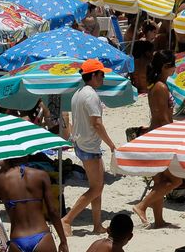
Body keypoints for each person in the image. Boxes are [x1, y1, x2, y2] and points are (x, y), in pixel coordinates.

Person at [62, 59, 118, 236]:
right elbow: (97, 124)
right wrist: (111, 144)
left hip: (82, 143)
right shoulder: (91, 95)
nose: (103, 77)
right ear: (93, 75)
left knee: (98, 186)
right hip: (89, 146)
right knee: (96, 188)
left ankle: (97, 225)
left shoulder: (78, 93)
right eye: (101, 74)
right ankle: (67, 219)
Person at [0, 157, 69, 252]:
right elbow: (53, 211)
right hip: (42, 236)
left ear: (6, 160)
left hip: (17, 240)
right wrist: (63, 240)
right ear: (26, 157)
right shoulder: (41, 175)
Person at [132, 52, 182, 228]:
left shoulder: (159, 85)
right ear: (165, 66)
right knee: (176, 180)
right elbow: (162, 117)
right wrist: (174, 135)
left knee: (160, 181)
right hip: (161, 136)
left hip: (156, 135)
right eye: (172, 65)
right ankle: (141, 205)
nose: (175, 68)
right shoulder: (160, 87)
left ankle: (159, 220)